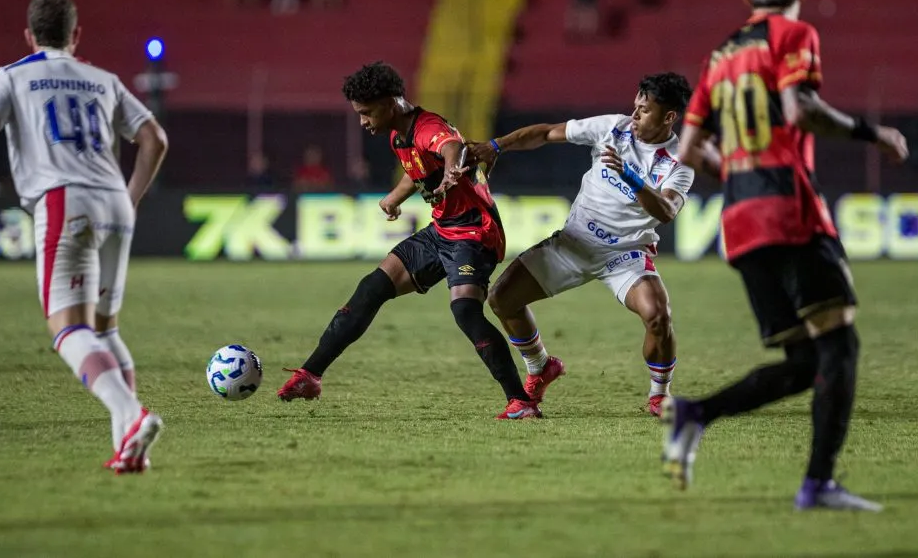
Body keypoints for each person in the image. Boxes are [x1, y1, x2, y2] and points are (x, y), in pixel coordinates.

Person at [660, 0, 908, 510]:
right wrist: (876, 134)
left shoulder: (719, 55)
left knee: (806, 363)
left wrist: (740, 168)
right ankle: (818, 483)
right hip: (789, 209)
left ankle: (696, 414)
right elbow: (802, 110)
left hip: (740, 220)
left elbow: (691, 148)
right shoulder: (794, 36)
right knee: (840, 345)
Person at [0, 0, 169, 474]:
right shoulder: (103, 80)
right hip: (114, 200)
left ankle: (131, 414)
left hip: (63, 199)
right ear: (76, 35)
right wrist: (130, 198)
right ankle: (128, 447)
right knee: (104, 328)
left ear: (29, 36)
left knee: (67, 328)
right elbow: (154, 138)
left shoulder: (13, 75)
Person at [278, 61, 540, 419]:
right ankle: (310, 374)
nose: (363, 121)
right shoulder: (397, 135)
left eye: (367, 112)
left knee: (465, 310)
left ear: (391, 102)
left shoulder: (427, 126)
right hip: (442, 229)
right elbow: (415, 170)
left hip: (475, 231)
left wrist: (452, 170)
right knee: (372, 287)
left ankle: (521, 403)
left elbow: (453, 147)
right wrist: (393, 198)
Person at [468, 73, 695, 416]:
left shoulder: (678, 161)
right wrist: (496, 145)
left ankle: (659, 396)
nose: (634, 115)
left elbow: (666, 211)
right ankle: (541, 366)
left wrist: (630, 177)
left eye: (644, 110)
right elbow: (546, 133)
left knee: (659, 316)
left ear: (669, 117)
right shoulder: (611, 128)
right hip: (575, 243)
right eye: (635, 105)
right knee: (501, 298)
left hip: (625, 254)